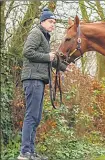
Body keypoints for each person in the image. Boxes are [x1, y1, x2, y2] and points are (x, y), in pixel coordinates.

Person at [18, 8, 69, 160]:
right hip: (32, 78)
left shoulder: (44, 37)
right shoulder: (36, 33)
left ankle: (30, 152)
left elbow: (49, 59)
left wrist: (64, 68)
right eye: (50, 21)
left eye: (54, 22)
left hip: (39, 80)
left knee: (36, 117)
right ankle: (25, 152)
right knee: (31, 116)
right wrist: (47, 56)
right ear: (42, 22)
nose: (53, 24)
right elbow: (27, 52)